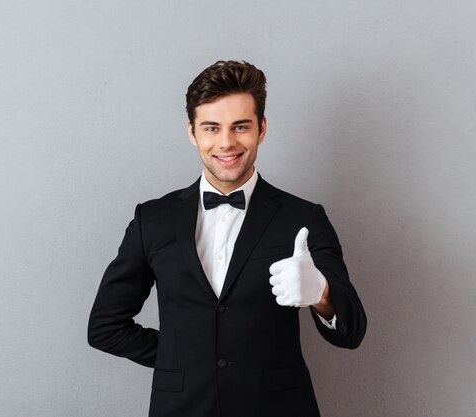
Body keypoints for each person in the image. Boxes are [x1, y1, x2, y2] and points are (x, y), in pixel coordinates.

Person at [88, 60, 366, 417]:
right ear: (192, 132)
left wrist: (322, 294)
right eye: (211, 128)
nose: (226, 142)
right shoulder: (153, 220)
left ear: (261, 129)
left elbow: (352, 331)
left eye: (240, 126)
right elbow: (104, 327)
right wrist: (185, 359)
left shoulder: (304, 217)